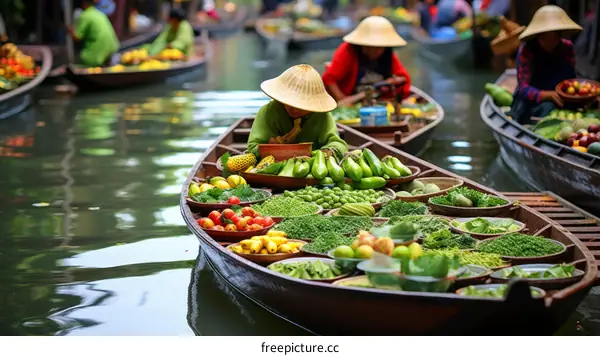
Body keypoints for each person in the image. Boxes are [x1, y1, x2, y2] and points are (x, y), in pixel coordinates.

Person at [247, 64, 348, 159]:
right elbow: (252, 148)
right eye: (289, 103)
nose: (294, 109)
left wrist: (324, 153)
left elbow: (338, 144)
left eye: (301, 106)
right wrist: (268, 147)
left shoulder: (322, 115)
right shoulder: (268, 111)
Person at [508, 5, 583, 125]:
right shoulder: (527, 51)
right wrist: (547, 95)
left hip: (563, 99)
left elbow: (571, 80)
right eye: (546, 37)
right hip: (533, 103)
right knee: (548, 108)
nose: (551, 41)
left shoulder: (567, 47)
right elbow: (523, 89)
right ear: (539, 36)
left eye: (555, 36)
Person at [321, 16, 411, 103]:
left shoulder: (387, 53)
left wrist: (394, 81)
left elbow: (403, 78)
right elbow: (329, 79)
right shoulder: (348, 50)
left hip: (377, 101)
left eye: (380, 48)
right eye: (371, 47)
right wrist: (343, 100)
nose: (375, 51)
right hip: (351, 99)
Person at [66, 0, 120, 67]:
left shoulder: (85, 15)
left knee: (74, 65)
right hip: (112, 48)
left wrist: (69, 30)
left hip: (96, 52)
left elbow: (77, 37)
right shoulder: (99, 13)